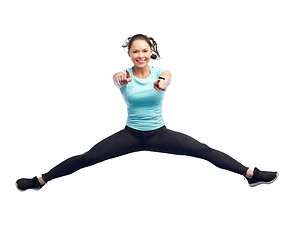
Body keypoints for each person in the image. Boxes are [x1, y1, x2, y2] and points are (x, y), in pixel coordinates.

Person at [16, 34, 278, 191]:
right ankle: (40, 180)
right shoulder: (123, 75)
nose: (140, 55)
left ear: (151, 51)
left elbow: (167, 77)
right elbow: (117, 78)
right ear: (129, 54)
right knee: (87, 158)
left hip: (159, 134)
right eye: (135, 51)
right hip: (130, 135)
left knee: (203, 150)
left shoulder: (161, 73)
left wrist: (163, 83)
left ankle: (251, 175)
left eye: (144, 51)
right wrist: (120, 79)